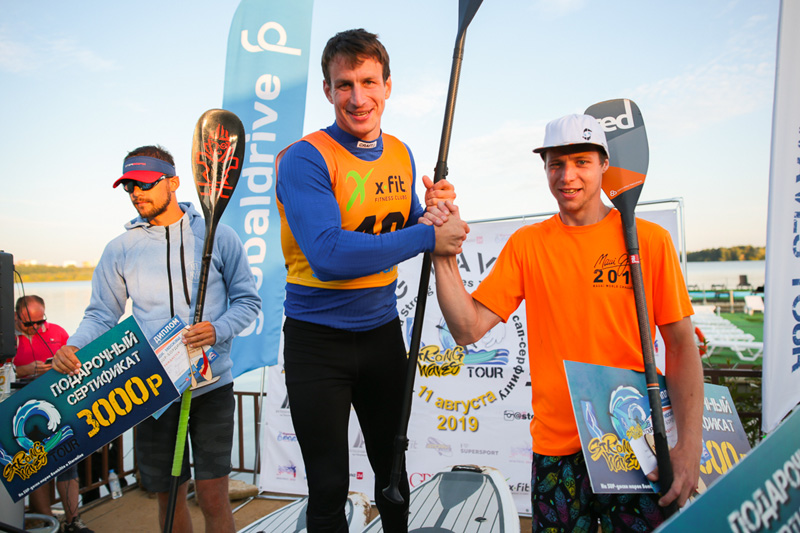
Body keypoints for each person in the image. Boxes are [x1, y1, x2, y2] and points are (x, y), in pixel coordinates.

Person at [426, 114, 704, 532]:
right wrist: (442, 253)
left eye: (581, 162)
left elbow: (681, 346)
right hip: (557, 451)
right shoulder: (528, 244)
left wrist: (689, 445)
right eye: (556, 164)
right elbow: (467, 329)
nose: (567, 176)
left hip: (637, 446)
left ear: (604, 165)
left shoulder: (649, 240)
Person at [275, 28, 467, 532]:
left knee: (393, 476)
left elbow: (408, 224)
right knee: (328, 487)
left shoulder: (401, 153)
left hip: (382, 336)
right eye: (344, 85)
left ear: (387, 86)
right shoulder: (304, 158)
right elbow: (328, 255)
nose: (357, 98)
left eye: (368, 82)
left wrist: (436, 211)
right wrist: (428, 235)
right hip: (317, 345)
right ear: (327, 90)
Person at [52, 145, 261, 533]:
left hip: (211, 386)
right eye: (128, 186)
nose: (136, 193)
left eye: (145, 183)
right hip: (152, 390)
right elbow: (102, 314)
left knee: (213, 496)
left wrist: (218, 329)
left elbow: (248, 301)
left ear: (173, 183)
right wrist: (76, 346)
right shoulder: (120, 249)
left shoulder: (217, 234)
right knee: (168, 498)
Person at [14, 295, 93, 533]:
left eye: (40, 321)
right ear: (16, 317)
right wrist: (23, 370)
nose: (36, 327)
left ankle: (73, 520)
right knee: (36, 466)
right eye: (29, 323)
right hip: (21, 413)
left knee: (68, 464)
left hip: (57, 406)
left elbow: (77, 363)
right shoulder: (8, 339)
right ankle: (47, 522)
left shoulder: (57, 332)